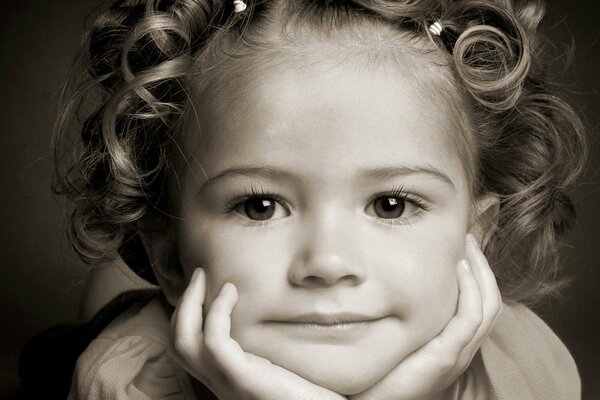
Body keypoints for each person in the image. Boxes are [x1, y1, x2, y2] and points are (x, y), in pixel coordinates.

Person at [50, 0, 587, 398]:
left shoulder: (527, 370)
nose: (328, 263)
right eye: (260, 206)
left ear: (477, 235)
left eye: (391, 205)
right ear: (168, 257)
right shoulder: (127, 385)